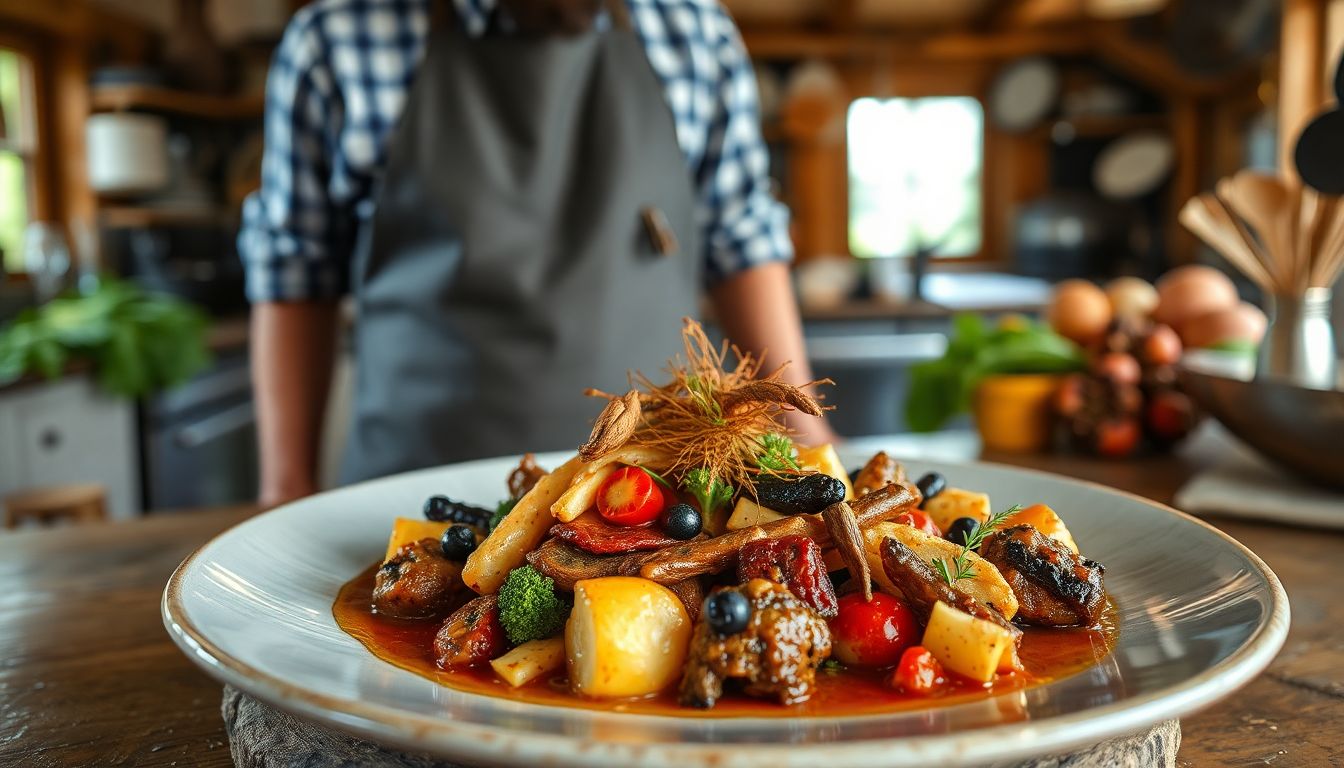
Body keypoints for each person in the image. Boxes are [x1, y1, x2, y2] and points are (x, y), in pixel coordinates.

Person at [239, 0, 835, 508]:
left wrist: (813, 447)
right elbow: (296, 271)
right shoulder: (339, 39)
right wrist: (285, 493)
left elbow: (742, 241)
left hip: (658, 505)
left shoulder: (695, 30)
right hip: (403, 499)